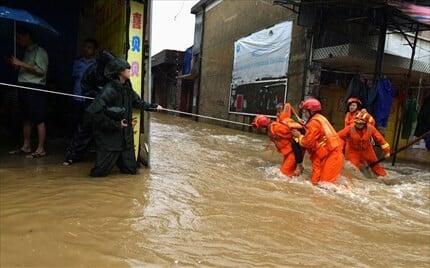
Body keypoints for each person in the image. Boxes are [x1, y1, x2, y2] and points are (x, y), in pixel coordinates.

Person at [85, 57, 163, 177]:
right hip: (110, 141)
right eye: (128, 69)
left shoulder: (126, 88)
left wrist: (154, 107)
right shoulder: (109, 90)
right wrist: (116, 125)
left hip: (126, 140)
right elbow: (94, 113)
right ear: (120, 71)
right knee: (99, 174)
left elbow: (138, 102)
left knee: (131, 173)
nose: (130, 71)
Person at [62, 50, 115, 166]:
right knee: (84, 129)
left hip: (108, 106)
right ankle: (72, 156)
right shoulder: (91, 71)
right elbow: (85, 88)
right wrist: (97, 94)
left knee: (108, 129)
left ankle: (107, 158)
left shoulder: (113, 72)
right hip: (92, 104)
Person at [8, 26, 48, 158]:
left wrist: (20, 63)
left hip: (34, 87)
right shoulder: (26, 52)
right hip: (23, 86)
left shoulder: (40, 51)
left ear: (27, 37)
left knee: (38, 118)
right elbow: (27, 69)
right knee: (26, 118)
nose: (18, 41)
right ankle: (26, 146)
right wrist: (17, 65)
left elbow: (41, 70)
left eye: (20, 38)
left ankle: (41, 149)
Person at [291, 98, 344, 186]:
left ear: (311, 111)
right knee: (318, 183)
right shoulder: (320, 118)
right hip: (328, 153)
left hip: (331, 155)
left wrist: (299, 136)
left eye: (306, 111)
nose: (305, 114)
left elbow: (308, 142)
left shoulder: (314, 122)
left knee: (325, 185)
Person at [338, 111, 390, 176]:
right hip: (352, 151)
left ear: (365, 124)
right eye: (357, 123)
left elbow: (380, 139)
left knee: (376, 166)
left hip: (367, 150)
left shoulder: (371, 128)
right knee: (353, 168)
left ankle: (384, 177)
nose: (358, 125)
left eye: (360, 123)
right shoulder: (349, 128)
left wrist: (387, 151)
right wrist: (340, 149)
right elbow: (339, 137)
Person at [70, 38, 97, 128]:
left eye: (89, 47)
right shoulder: (77, 62)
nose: (86, 49)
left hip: (90, 98)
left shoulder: (97, 64)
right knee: (76, 120)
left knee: (88, 122)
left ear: (94, 50)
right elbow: (74, 77)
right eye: (85, 47)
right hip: (77, 96)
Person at [275, 102, 305, 174]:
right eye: (277, 112)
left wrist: (298, 119)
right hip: (295, 130)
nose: (277, 114)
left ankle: (299, 165)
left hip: (299, 132)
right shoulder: (281, 116)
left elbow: (290, 107)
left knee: (295, 144)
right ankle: (297, 166)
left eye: (279, 111)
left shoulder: (287, 110)